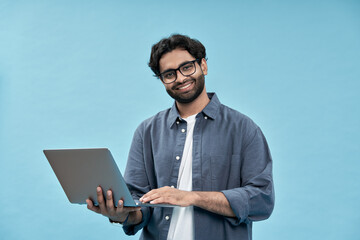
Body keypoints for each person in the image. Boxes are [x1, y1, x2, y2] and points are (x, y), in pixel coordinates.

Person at [86, 34, 275, 240]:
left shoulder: (243, 128)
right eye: (169, 74)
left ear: (203, 65)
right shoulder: (146, 131)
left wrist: (191, 197)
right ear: (162, 80)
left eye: (187, 67)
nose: (180, 78)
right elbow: (139, 205)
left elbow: (262, 200)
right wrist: (121, 214)